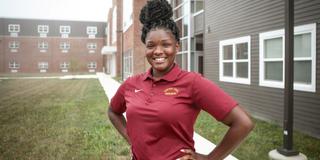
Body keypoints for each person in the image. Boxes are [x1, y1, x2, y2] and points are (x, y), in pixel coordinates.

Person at [108, 0, 254, 159]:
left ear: (177, 46)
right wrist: (132, 140)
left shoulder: (192, 83)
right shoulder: (132, 83)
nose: (158, 51)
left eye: (165, 44)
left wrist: (209, 159)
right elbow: (113, 112)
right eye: (151, 45)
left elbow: (243, 123)